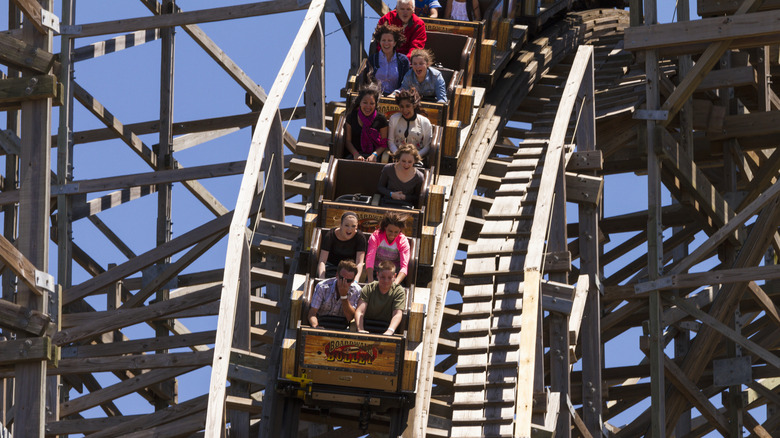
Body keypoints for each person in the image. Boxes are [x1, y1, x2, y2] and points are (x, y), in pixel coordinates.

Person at [355, 260, 406, 335]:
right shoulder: (369, 288)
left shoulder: (398, 291)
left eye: (389, 277)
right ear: (377, 275)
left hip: (387, 327)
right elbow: (360, 311)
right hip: (367, 326)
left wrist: (390, 331)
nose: (386, 281)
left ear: (394, 276)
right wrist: (360, 329)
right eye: (383, 277)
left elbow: (397, 314)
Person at [308, 259, 362, 330]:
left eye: (349, 281)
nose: (345, 283)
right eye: (342, 279)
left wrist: (344, 296)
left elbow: (349, 317)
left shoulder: (356, 290)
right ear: (337, 275)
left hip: (342, 328)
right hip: (321, 323)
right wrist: (316, 327)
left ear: (353, 279)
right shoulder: (322, 287)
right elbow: (312, 313)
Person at [344, 83, 388, 162]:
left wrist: (374, 155)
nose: (368, 106)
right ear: (360, 103)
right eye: (365, 103)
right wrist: (356, 154)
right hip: (355, 155)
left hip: (375, 156)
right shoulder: (351, 117)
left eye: (371, 103)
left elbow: (383, 144)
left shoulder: (381, 119)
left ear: (375, 104)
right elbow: (348, 141)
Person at [317, 211, 366, 279]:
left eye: (353, 226)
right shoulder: (330, 236)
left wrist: (355, 280)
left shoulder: (360, 237)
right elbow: (322, 261)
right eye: (346, 225)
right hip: (331, 268)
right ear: (341, 225)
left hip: (350, 270)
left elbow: (359, 263)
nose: (349, 229)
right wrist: (322, 279)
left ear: (357, 226)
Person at [366, 212, 410, 285]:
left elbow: (404, 267)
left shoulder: (403, 241)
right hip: (376, 271)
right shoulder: (376, 237)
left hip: (393, 274)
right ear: (385, 227)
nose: (392, 235)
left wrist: (395, 284)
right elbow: (370, 259)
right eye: (390, 231)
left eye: (396, 232)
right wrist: (370, 281)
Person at [387, 88, 432, 160]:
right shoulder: (394, 119)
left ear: (414, 106)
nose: (404, 110)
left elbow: (427, 146)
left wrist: (414, 157)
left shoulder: (425, 122)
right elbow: (391, 141)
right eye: (402, 106)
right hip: (397, 159)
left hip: (417, 159)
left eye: (408, 106)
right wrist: (398, 155)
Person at [377, 144, 425, 208]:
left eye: (410, 162)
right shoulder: (388, 169)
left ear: (414, 161)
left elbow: (417, 197)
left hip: (406, 206)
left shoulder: (419, 177)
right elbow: (380, 187)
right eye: (403, 161)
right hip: (387, 203)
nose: (406, 164)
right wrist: (391, 194)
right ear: (399, 158)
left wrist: (405, 197)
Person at [369, 24, 410, 95]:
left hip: (397, 99)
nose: (386, 43)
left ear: (394, 43)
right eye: (383, 40)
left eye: (389, 40)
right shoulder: (372, 59)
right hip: (375, 98)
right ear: (380, 42)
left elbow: (406, 83)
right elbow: (368, 80)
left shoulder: (403, 60)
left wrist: (394, 94)